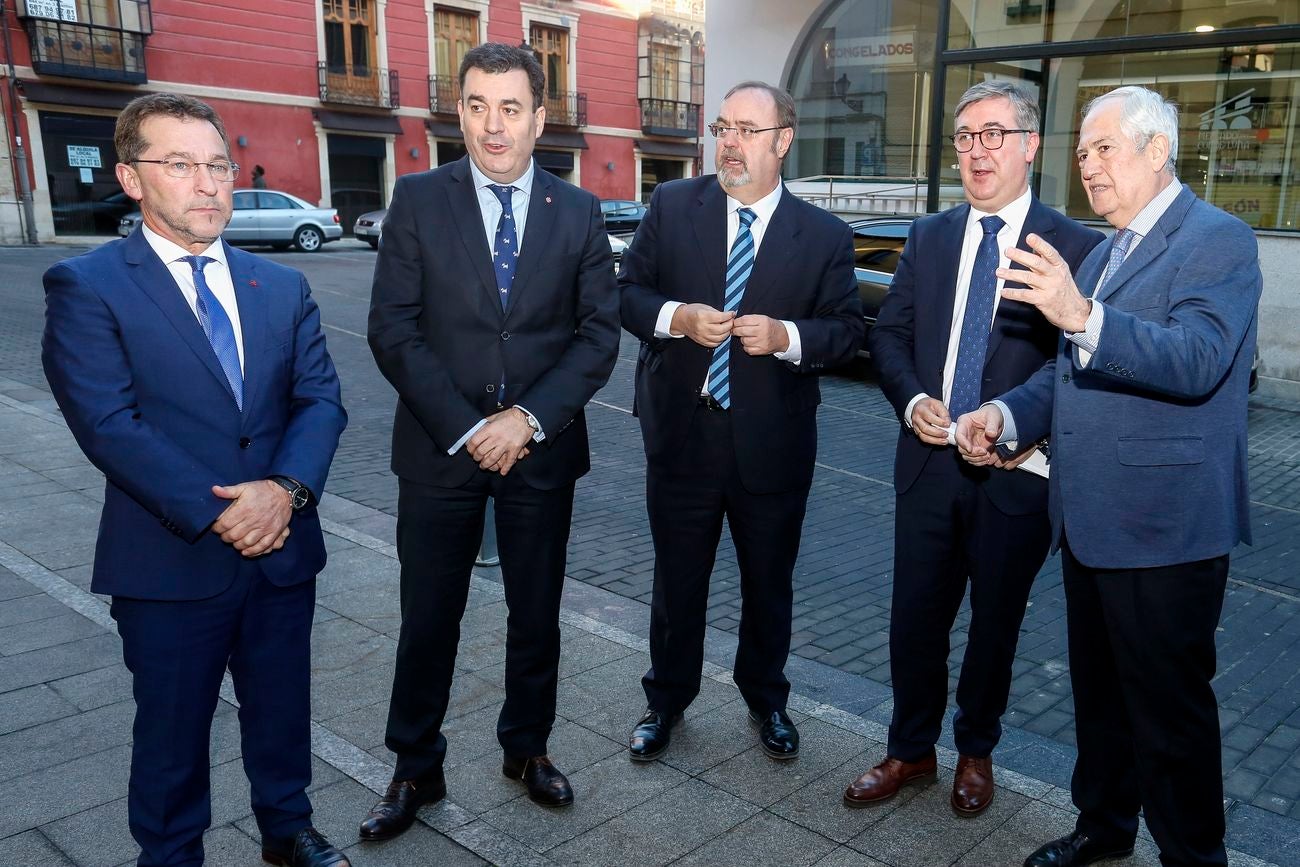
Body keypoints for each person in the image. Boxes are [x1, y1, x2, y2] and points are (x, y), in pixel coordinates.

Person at [955, 86, 1261, 866]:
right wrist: (1007, 417)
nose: (1088, 167)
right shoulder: (1101, 251)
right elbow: (1064, 379)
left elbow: (1196, 359)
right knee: (1101, 697)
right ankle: (1104, 825)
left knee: (1169, 711)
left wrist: (1082, 315)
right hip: (1088, 520)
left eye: (1104, 149)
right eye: (1082, 153)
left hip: (1167, 527)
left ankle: (1195, 855)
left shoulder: (1217, 239)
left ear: (1157, 150)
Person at [41, 93, 349, 867]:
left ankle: (287, 827)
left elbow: (319, 399)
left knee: (282, 708)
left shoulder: (278, 287)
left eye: (218, 165)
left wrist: (286, 492)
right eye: (180, 163)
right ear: (131, 177)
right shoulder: (89, 285)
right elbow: (109, 424)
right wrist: (220, 512)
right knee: (172, 730)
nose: (209, 183)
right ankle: (172, 852)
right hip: (169, 560)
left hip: (281, 546)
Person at [361, 43, 619, 840]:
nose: (492, 125)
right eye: (476, 105)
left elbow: (597, 335)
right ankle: (414, 766)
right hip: (441, 451)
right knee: (428, 615)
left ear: (541, 118)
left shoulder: (576, 212)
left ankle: (527, 747)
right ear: (459, 110)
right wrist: (473, 427)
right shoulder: (416, 199)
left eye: (511, 108)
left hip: (541, 451)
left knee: (536, 612)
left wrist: (528, 420)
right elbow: (393, 331)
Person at [847, 82, 1102, 815]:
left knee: (996, 624)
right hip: (927, 464)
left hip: (1014, 477)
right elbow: (889, 335)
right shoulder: (928, 237)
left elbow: (1071, 363)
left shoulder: (1074, 245)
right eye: (964, 136)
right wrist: (912, 399)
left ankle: (976, 752)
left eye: (994, 134)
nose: (976, 150)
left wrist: (1016, 426)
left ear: (1029, 145)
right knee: (914, 619)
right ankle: (910, 749)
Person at [619, 81, 863, 762]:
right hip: (682, 436)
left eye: (745, 131)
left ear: (782, 140)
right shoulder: (673, 205)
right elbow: (627, 294)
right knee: (676, 581)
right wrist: (678, 319)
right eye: (722, 128)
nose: (728, 143)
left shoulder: (822, 236)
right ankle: (665, 700)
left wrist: (786, 335)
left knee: (769, 583)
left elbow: (847, 333)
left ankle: (767, 699)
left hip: (772, 443)